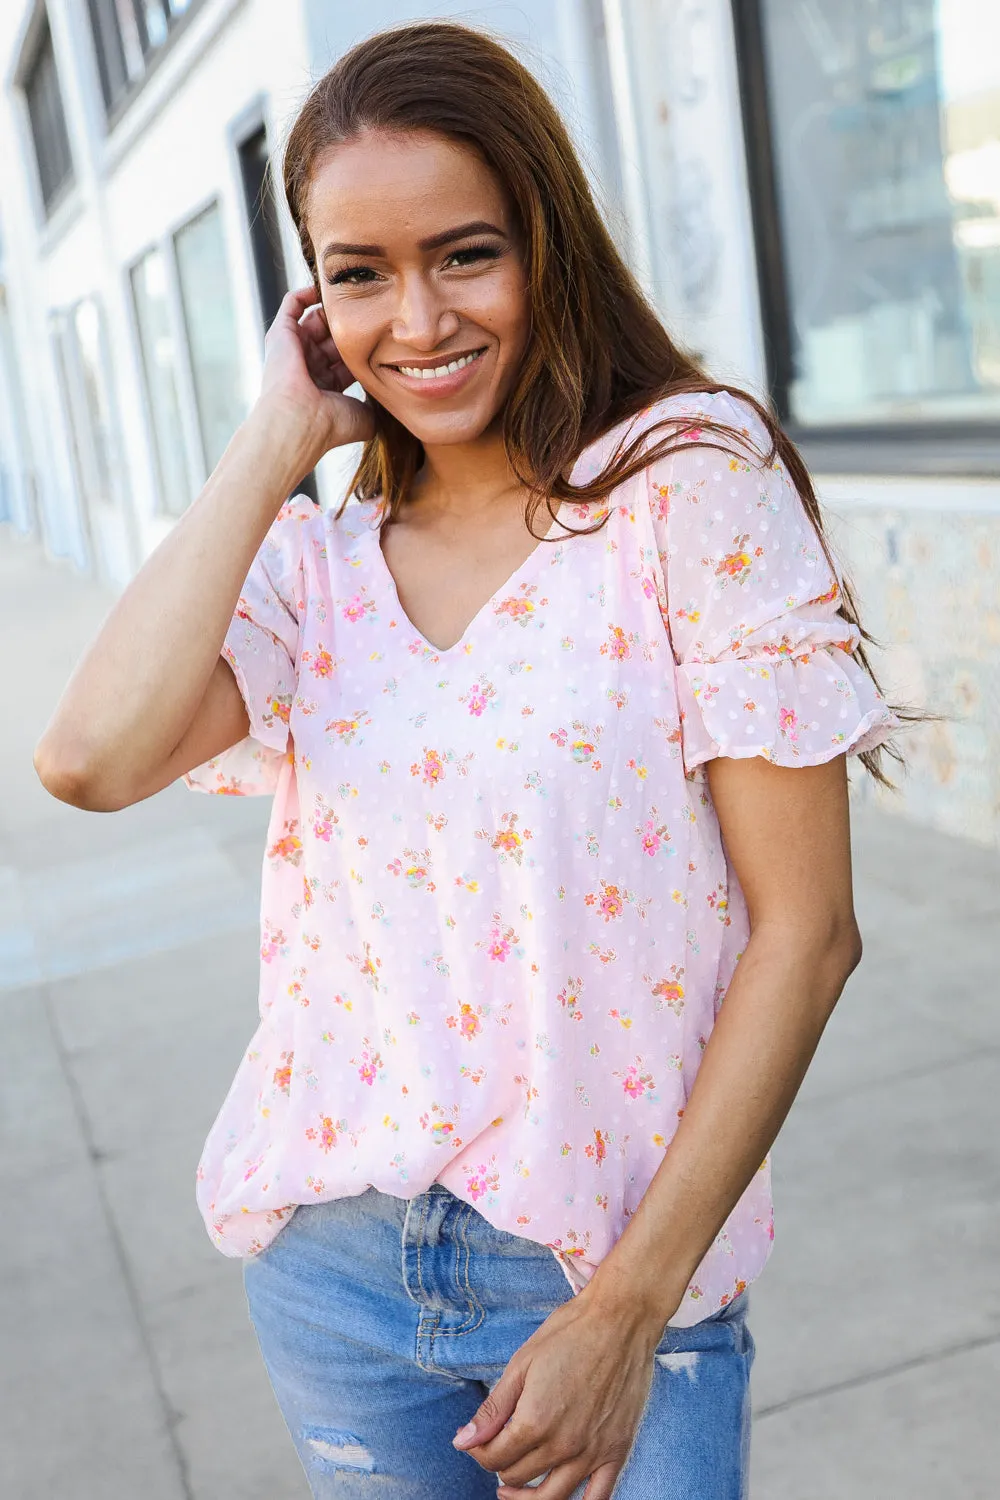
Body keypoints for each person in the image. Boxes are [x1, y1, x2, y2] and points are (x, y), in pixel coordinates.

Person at [34, 21, 901, 1500]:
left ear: (547, 243)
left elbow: (808, 937)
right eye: (359, 273)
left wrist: (630, 1308)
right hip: (336, 1277)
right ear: (309, 299)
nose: (417, 320)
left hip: (604, 1267)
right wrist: (271, 440)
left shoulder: (684, 486)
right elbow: (89, 758)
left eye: (465, 254)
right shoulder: (312, 567)